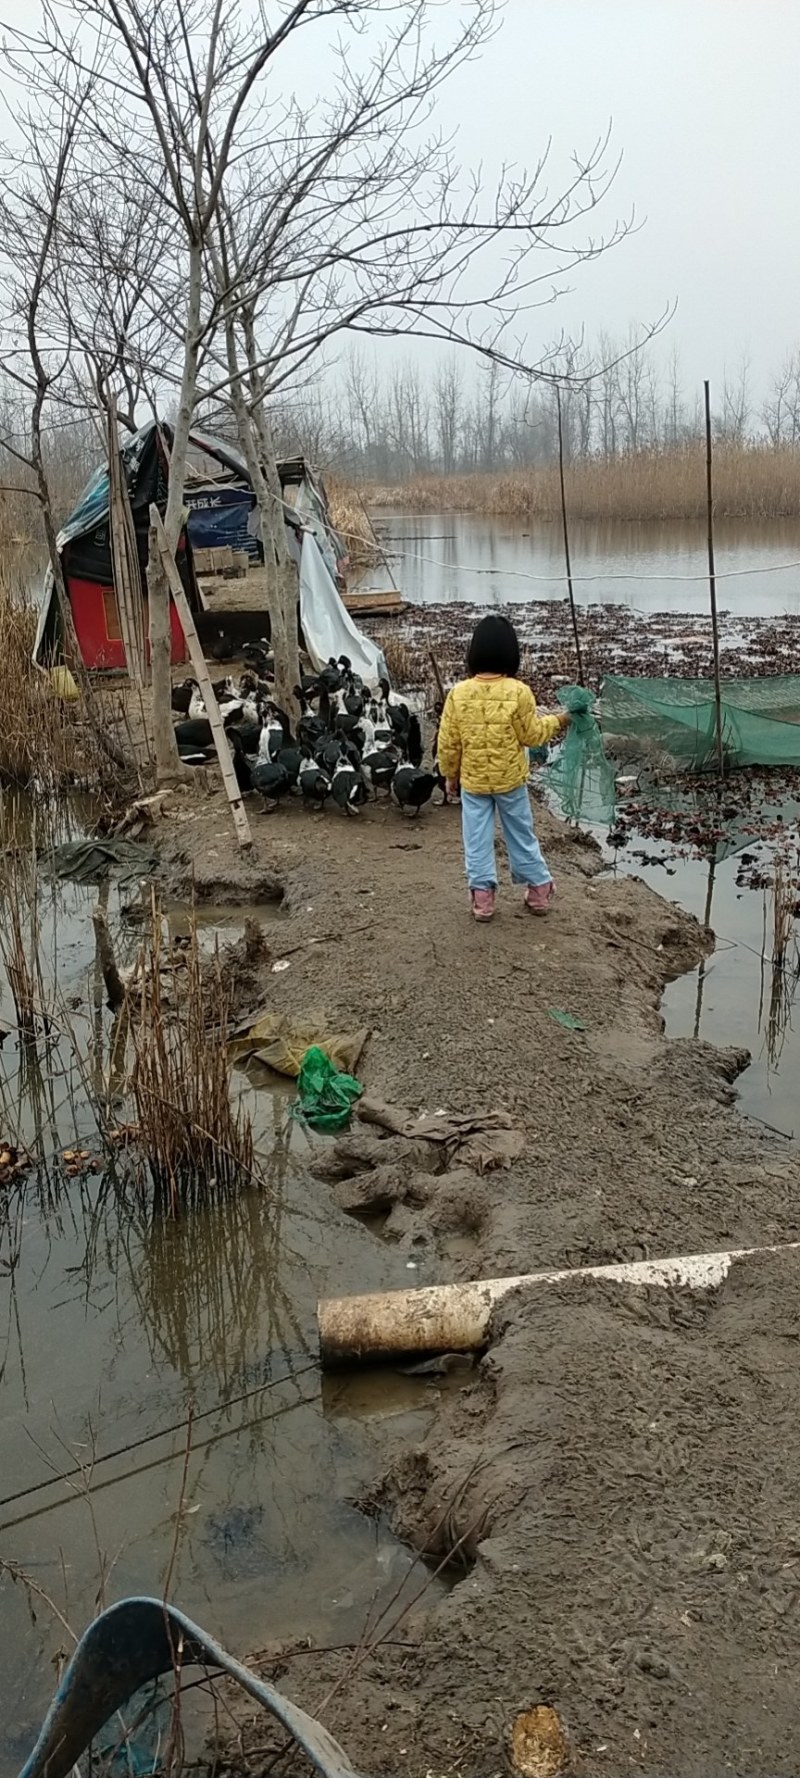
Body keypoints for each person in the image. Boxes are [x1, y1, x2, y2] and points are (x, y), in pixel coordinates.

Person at [436, 613, 569, 922]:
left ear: (473, 653)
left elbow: (449, 743)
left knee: (477, 839)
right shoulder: (518, 692)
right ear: (512, 654)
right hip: (510, 781)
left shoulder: (459, 694)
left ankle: (482, 899)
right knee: (521, 834)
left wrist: (449, 775)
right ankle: (538, 890)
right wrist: (559, 720)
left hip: (474, 783)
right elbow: (532, 735)